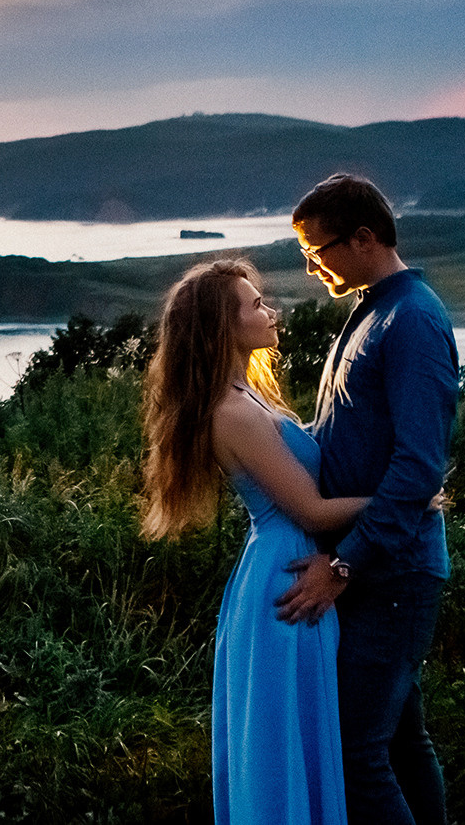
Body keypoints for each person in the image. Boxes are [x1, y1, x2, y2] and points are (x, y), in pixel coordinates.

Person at [140, 257, 369, 825]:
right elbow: (312, 512)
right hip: (286, 577)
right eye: (256, 305)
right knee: (281, 738)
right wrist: (406, 499)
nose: (271, 311)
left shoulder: (249, 395)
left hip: (285, 566)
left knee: (294, 732)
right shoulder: (234, 411)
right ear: (224, 327)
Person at [275, 173, 457, 825]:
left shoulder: (412, 318)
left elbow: (417, 467)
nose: (312, 264)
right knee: (402, 742)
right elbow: (342, 433)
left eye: (319, 249)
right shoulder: (372, 308)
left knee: (356, 752)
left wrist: (343, 564)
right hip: (379, 569)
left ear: (364, 236)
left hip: (393, 572)